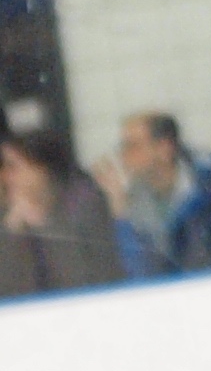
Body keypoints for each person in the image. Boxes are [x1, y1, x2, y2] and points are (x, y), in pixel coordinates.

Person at [103, 109, 211, 277]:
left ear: (164, 148)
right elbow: (138, 273)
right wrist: (119, 213)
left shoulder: (205, 192)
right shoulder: (130, 198)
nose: (123, 155)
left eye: (133, 146)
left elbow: (207, 261)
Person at [0, 118, 122, 296]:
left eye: (13, 167)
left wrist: (43, 224)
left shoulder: (84, 204)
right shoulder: (10, 212)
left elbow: (86, 279)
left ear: (41, 170)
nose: (6, 177)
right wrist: (10, 234)